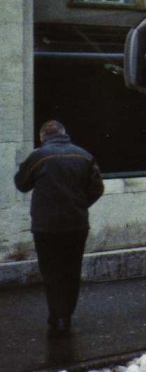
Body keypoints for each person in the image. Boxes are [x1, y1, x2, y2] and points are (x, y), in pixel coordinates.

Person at [14, 120, 105, 337]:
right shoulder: (83, 155)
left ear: (42, 137)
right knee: (71, 270)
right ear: (64, 134)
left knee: (52, 271)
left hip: (46, 227)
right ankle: (67, 314)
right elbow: (98, 188)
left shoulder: (39, 156)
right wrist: (81, 204)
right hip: (76, 224)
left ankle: (58, 316)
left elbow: (21, 184)